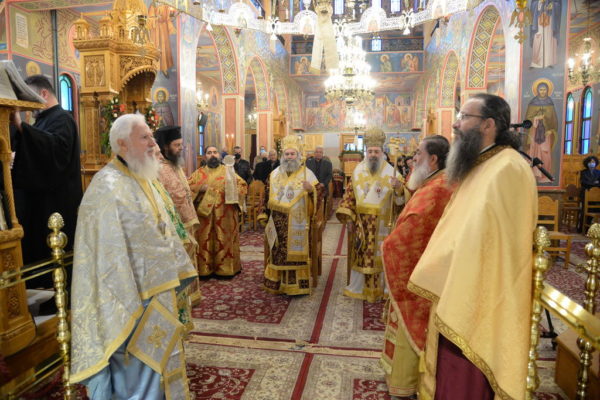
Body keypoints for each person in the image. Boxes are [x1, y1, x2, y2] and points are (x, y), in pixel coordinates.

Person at [408, 93, 537, 399]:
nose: (456, 124)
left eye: (465, 117)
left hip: (482, 293)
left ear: (488, 125)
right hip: (458, 281)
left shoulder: (508, 168)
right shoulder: (481, 165)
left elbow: (501, 244)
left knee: (467, 374)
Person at [70, 114, 197, 399]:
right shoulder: (106, 187)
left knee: (161, 366)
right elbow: (103, 256)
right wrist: (128, 299)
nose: (154, 144)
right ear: (122, 144)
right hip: (129, 302)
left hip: (160, 295)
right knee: (138, 372)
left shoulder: (143, 179)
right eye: (145, 137)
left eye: (152, 137)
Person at [380, 135, 454, 398]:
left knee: (412, 319)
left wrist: (389, 245)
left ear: (433, 159)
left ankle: (406, 381)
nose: (414, 159)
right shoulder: (437, 181)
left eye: (418, 154)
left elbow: (415, 226)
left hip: (420, 271)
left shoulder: (436, 188)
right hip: (429, 267)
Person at [10, 74, 82, 289]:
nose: (29, 107)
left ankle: (57, 295)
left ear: (43, 94)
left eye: (30, 99)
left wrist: (22, 127)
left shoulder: (62, 119)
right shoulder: (44, 120)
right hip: (42, 203)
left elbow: (55, 152)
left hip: (57, 204)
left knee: (54, 257)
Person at [336, 128, 404, 303]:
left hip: (383, 225)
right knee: (362, 255)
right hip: (362, 224)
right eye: (370, 151)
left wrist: (398, 188)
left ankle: (382, 289)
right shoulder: (358, 171)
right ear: (366, 152)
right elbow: (350, 195)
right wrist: (349, 217)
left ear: (382, 152)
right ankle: (359, 288)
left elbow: (401, 203)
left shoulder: (392, 173)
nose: (373, 154)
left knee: (381, 256)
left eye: (376, 151)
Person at [259, 135, 321, 295]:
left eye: (292, 154)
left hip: (298, 221)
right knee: (277, 252)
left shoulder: (307, 174)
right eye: (287, 154)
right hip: (277, 222)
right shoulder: (274, 174)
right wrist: (263, 214)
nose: (289, 157)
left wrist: (311, 190)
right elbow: (266, 195)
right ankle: (277, 283)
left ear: (298, 155)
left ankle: (297, 286)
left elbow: (320, 193)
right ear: (283, 156)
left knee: (296, 255)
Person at [155, 125, 201, 304]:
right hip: (174, 226)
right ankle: (182, 299)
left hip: (186, 221)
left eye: (181, 144)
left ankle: (191, 296)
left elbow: (184, 190)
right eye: (177, 145)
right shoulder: (159, 168)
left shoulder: (173, 165)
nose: (181, 148)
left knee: (189, 258)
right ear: (165, 147)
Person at [188, 146, 247, 277]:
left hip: (225, 214)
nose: (213, 155)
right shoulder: (198, 173)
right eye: (209, 153)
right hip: (204, 216)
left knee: (225, 240)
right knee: (204, 241)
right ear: (205, 156)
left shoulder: (228, 171)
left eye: (215, 152)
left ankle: (226, 269)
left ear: (219, 155)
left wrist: (231, 190)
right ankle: (205, 269)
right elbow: (187, 187)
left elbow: (242, 185)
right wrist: (200, 188)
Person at [525, 81, 557, 183]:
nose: (543, 91)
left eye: (544, 90)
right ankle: (534, 174)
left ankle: (544, 176)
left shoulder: (550, 103)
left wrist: (551, 131)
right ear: (537, 90)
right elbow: (528, 119)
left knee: (545, 154)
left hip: (546, 134)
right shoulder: (533, 103)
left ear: (547, 90)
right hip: (534, 133)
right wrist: (536, 118)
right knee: (534, 153)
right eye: (541, 89)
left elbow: (554, 121)